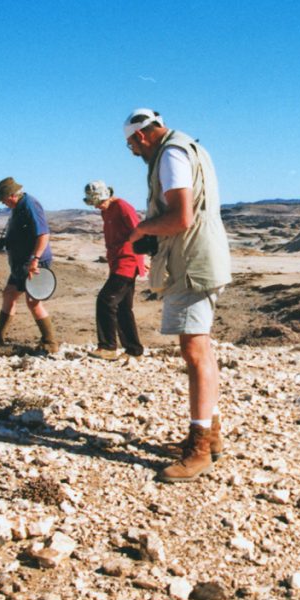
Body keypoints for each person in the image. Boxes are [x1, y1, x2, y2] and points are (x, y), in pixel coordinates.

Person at [123, 108, 232, 482]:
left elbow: (181, 217)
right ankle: (211, 434)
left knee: (194, 351)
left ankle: (199, 447)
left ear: (141, 137)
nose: (135, 155)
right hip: (200, 257)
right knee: (202, 348)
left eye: (132, 148)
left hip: (191, 261)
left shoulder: (170, 154)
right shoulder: (188, 148)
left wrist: (141, 230)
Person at [0, 178, 57, 353]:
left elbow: (43, 234)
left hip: (32, 262)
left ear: (12, 195)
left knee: (33, 301)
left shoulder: (30, 205)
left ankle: (50, 343)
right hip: (21, 263)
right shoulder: (19, 206)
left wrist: (35, 259)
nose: (3, 203)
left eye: (3, 199)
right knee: (9, 294)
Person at [83, 180, 146, 360]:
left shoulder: (123, 207)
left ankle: (108, 347)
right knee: (123, 307)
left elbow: (139, 231)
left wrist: (141, 259)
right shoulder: (106, 210)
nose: (97, 206)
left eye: (99, 202)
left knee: (105, 300)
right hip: (117, 262)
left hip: (127, 262)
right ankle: (134, 350)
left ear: (107, 195)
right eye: (94, 204)